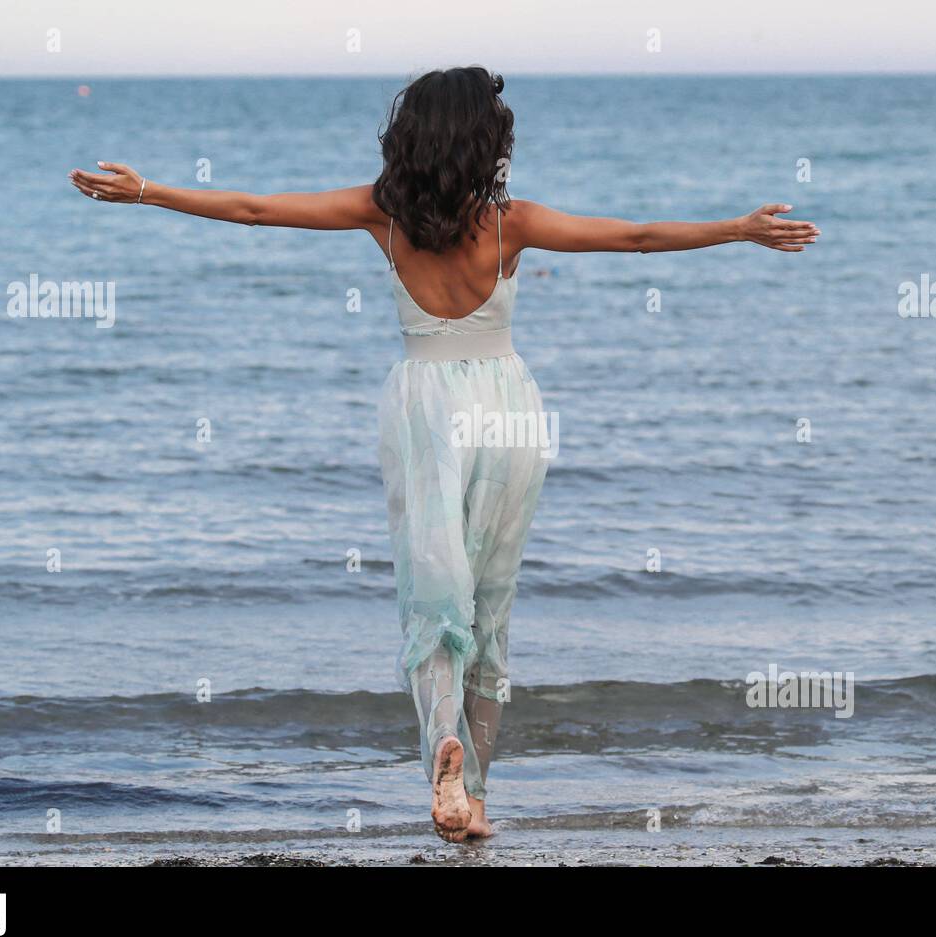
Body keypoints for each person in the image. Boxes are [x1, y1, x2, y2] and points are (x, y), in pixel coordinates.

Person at [69, 65, 818, 844]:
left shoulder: (379, 214)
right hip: (509, 411)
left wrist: (150, 190)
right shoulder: (513, 223)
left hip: (425, 405)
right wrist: (738, 228)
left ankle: (442, 758)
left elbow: (257, 210)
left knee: (434, 598)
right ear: (485, 142)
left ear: (411, 136)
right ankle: (480, 801)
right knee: (491, 610)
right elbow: (634, 237)